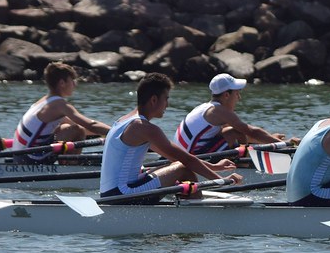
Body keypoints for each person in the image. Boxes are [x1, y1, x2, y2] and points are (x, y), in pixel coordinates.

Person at [100, 73, 243, 204]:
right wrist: (222, 181)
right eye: (166, 99)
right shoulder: (143, 127)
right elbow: (186, 160)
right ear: (154, 100)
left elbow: (177, 157)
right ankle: (196, 217)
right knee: (183, 169)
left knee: (172, 166)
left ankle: (187, 203)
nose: (167, 105)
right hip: (122, 195)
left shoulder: (125, 120)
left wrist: (213, 166)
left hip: (110, 194)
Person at [12, 62, 110, 164]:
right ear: (62, 83)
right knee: (78, 130)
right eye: (72, 80)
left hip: (20, 156)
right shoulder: (59, 105)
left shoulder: (44, 102)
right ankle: (71, 169)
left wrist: (105, 134)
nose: (75, 85)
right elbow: (91, 125)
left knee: (66, 127)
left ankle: (66, 164)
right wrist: (117, 132)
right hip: (30, 159)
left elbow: (85, 127)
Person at [174, 73, 298, 154]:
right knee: (236, 131)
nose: (239, 98)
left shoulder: (205, 108)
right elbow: (251, 131)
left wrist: (272, 140)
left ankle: (243, 157)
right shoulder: (218, 111)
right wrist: (285, 145)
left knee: (230, 130)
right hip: (192, 158)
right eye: (237, 93)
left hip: (185, 154)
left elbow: (245, 133)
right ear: (226, 95)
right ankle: (243, 162)